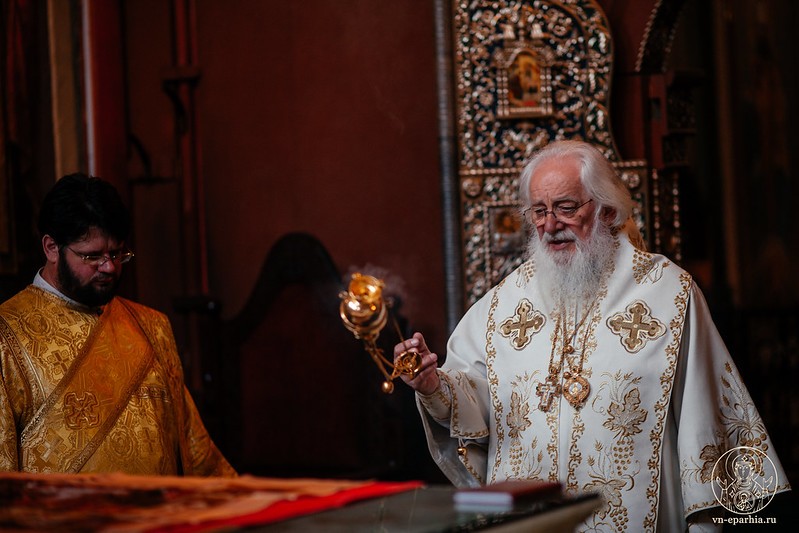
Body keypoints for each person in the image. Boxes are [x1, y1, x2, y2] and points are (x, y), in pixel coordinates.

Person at [395, 140, 790, 530]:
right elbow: (475, 406)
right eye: (539, 211)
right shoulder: (503, 305)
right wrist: (433, 386)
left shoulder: (668, 294)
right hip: (529, 521)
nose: (550, 225)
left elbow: (705, 421)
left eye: (566, 208)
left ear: (607, 209)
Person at [0, 173, 235, 477]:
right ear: (51, 247)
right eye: (93, 256)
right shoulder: (7, 333)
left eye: (117, 253)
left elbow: (196, 452)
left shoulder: (152, 327)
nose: (109, 267)